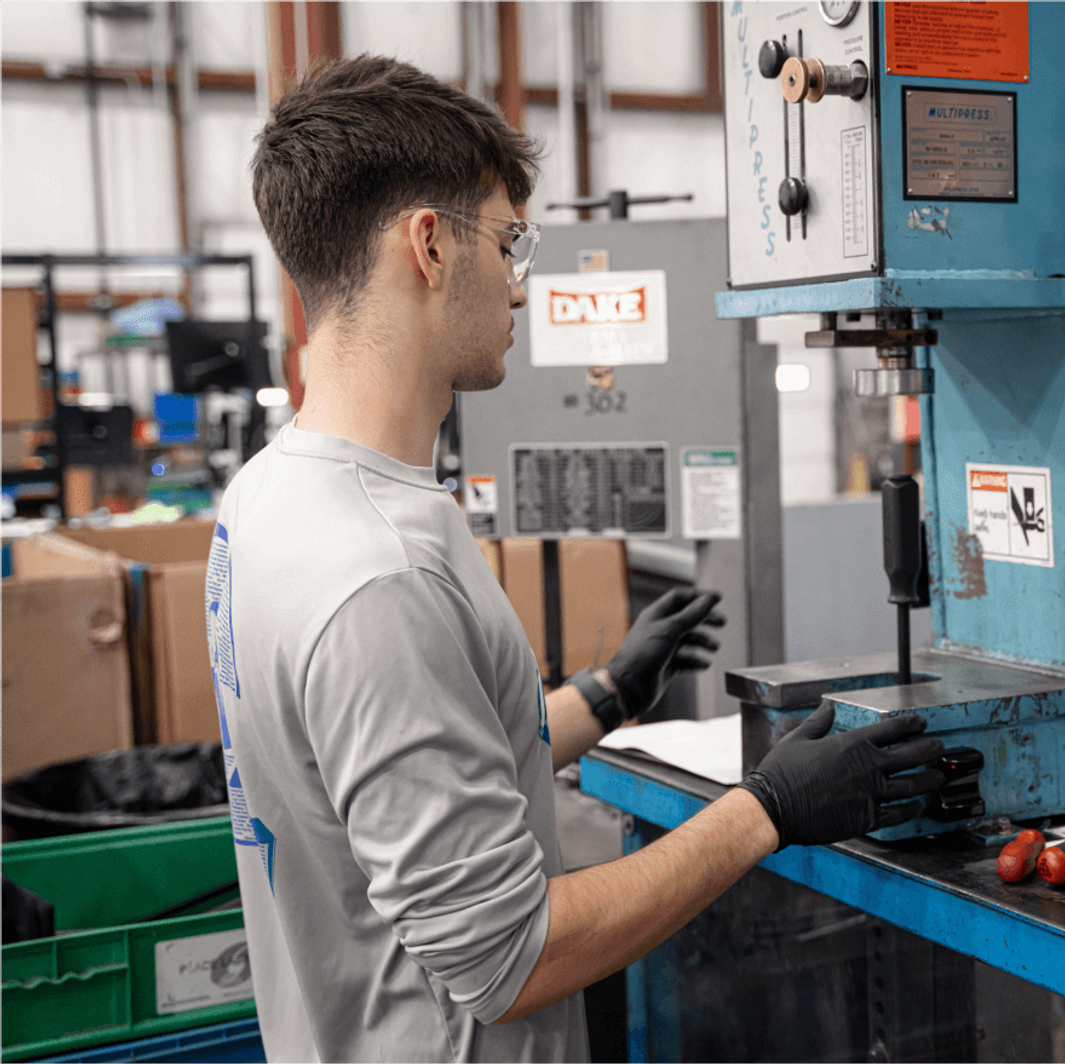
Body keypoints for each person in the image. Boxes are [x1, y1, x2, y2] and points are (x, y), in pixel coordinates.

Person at [208, 55, 945, 1064]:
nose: (520, 284)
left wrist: (600, 694)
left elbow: (390, 776)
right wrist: (766, 809)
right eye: (509, 242)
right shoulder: (377, 573)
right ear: (428, 244)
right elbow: (507, 957)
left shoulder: (271, 498)